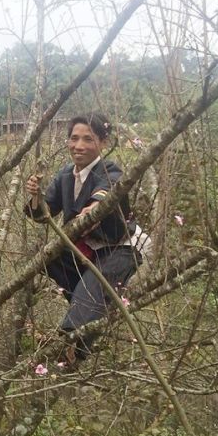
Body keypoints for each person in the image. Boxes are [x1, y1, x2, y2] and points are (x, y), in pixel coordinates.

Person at [25, 112, 144, 362]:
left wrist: (92, 209)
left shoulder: (110, 171)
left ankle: (68, 343)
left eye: (88, 139)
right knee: (48, 258)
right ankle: (84, 331)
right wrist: (36, 196)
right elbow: (44, 213)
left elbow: (105, 194)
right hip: (85, 249)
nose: (79, 146)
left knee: (92, 285)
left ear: (103, 142)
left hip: (120, 247)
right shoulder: (66, 175)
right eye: (74, 138)